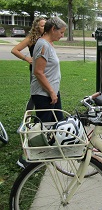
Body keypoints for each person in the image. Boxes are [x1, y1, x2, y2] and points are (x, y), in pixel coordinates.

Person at [18, 17, 67, 168]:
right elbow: (38, 72)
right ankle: (26, 159)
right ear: (53, 29)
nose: (62, 35)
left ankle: (46, 155)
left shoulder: (47, 44)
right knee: (44, 127)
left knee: (56, 125)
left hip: (50, 92)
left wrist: (54, 91)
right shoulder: (42, 45)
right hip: (44, 94)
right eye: (61, 32)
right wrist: (52, 92)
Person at [11, 16, 46, 112]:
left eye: (46, 25)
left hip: (47, 70)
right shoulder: (31, 38)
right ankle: (28, 116)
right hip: (35, 70)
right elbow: (14, 50)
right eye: (42, 26)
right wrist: (27, 58)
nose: (45, 27)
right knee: (35, 94)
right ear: (37, 27)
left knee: (46, 93)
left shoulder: (46, 38)